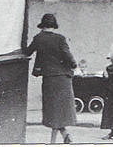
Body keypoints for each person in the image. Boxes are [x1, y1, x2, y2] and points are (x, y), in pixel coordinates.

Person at [25, 13, 77, 144]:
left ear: (42, 26)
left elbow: (27, 52)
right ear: (54, 26)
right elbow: (68, 55)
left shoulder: (38, 38)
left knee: (53, 110)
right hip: (63, 79)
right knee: (60, 111)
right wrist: (73, 65)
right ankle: (64, 134)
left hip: (49, 79)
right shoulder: (60, 38)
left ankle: (54, 141)